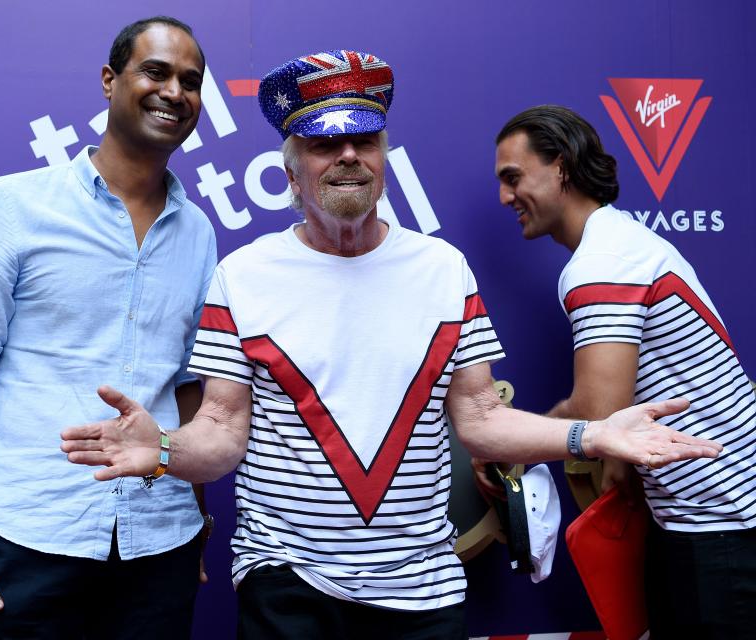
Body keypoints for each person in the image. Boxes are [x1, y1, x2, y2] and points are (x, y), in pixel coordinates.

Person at [60, 50, 722, 639]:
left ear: (383, 159)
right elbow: (223, 432)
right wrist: (164, 450)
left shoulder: (442, 270)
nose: (348, 154)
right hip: (287, 587)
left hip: (423, 590)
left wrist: (593, 436)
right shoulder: (243, 276)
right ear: (291, 172)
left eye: (365, 139)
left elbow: (481, 423)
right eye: (324, 142)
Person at [0, 16, 217, 640]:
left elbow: (188, 385)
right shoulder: (12, 206)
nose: (175, 92)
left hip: (159, 545)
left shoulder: (197, 234)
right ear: (110, 81)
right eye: (155, 72)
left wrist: (195, 515)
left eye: (191, 82)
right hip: (28, 536)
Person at [494, 104, 756, 639]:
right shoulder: (619, 244)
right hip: (700, 516)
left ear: (561, 168)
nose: (505, 197)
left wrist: (508, 444)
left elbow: (597, 410)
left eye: (513, 177)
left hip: (720, 524)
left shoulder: (602, 260)